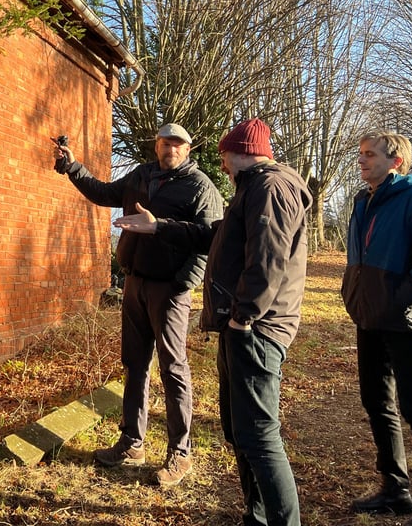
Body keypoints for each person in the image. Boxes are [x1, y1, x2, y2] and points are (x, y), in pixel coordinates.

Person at [115, 118, 311, 526]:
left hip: (257, 330)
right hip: (241, 327)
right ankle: (255, 516)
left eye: (223, 156)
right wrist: (159, 227)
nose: (221, 164)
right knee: (240, 432)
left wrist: (244, 318)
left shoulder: (271, 189)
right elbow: (215, 235)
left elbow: (268, 261)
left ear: (240, 151)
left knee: (259, 434)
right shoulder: (252, 190)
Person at [54, 123, 223, 486]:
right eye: (165, 143)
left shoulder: (199, 187)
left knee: (173, 369)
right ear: (157, 145)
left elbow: (210, 241)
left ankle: (180, 452)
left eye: (178, 144)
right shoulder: (141, 176)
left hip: (170, 290)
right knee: (135, 364)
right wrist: (73, 168)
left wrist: (183, 283)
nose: (171, 149)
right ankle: (132, 442)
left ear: (188, 149)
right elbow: (102, 193)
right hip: (135, 283)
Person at [341, 132, 412, 526]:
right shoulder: (362, 200)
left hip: (407, 322)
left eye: (370, 155)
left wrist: (398, 298)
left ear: (396, 161)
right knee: (377, 403)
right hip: (369, 319)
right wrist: (354, 297)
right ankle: (396, 489)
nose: (362, 161)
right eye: (360, 155)